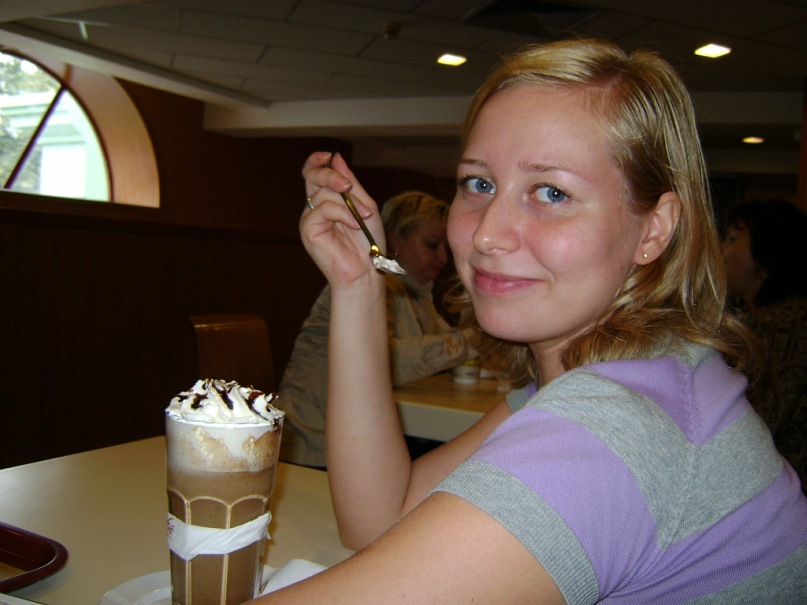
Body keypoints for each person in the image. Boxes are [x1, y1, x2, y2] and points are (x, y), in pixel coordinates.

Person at [252, 39, 807, 604]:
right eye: (479, 184)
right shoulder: (621, 375)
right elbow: (378, 519)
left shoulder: (616, 428)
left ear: (653, 228)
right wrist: (358, 282)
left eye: (551, 192)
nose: (487, 234)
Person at [278, 190, 478, 468]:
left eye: (447, 247)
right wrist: (476, 339)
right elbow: (392, 362)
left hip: (357, 438)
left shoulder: (416, 290)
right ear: (395, 241)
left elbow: (441, 345)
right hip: (310, 444)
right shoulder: (365, 282)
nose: (443, 257)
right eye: (433, 245)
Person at [722, 199, 807, 493]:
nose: (722, 249)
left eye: (733, 239)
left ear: (765, 257)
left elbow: (761, 420)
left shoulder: (789, 325)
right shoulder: (757, 320)